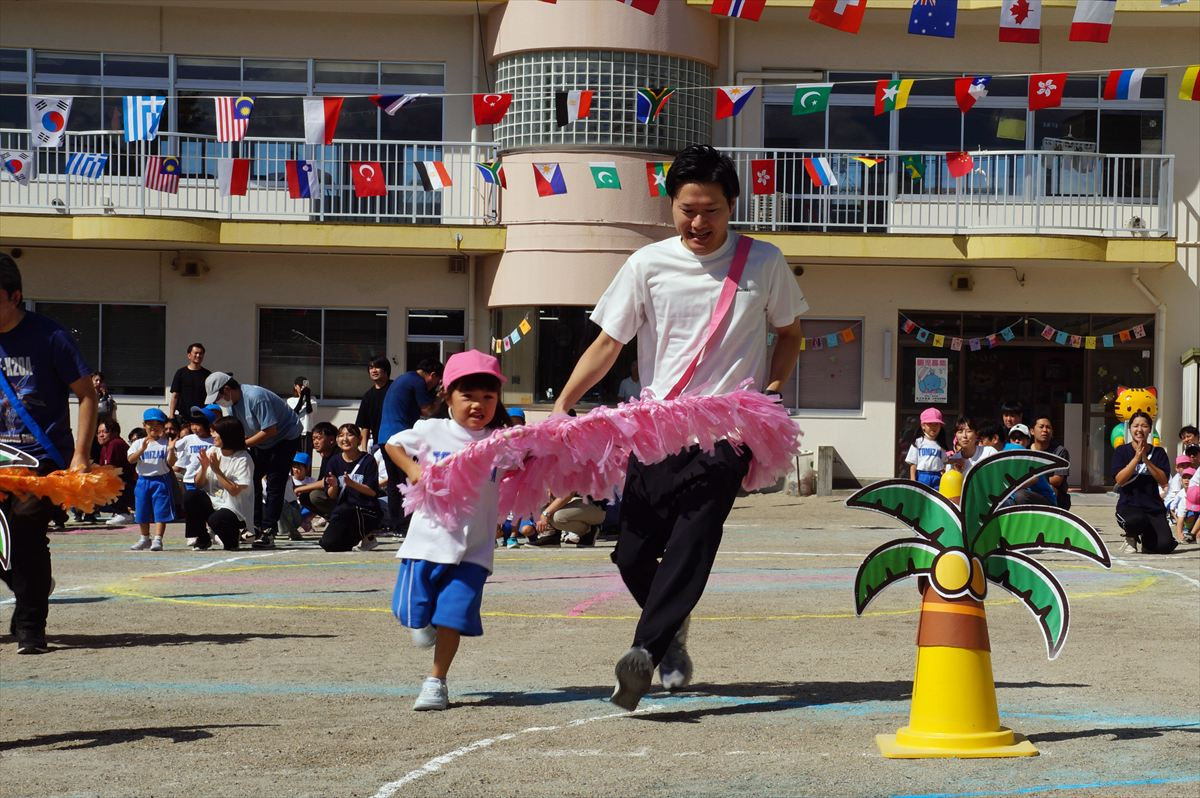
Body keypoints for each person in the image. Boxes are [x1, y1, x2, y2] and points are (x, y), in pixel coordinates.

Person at [549, 145, 807, 710]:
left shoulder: (763, 262)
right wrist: (563, 405)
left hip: (729, 428)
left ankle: (644, 651)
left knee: (694, 539)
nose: (698, 222)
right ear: (672, 206)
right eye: (687, 209)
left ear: (732, 205)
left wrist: (772, 388)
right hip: (657, 428)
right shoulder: (648, 264)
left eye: (711, 209)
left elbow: (789, 333)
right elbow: (607, 343)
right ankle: (672, 632)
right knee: (632, 555)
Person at [385, 350, 511, 711]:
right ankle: (421, 624)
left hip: (475, 549)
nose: (478, 405)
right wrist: (412, 469)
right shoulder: (430, 430)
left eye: (488, 397)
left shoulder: (500, 443)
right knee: (409, 611)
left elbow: (527, 463)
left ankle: (435, 682)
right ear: (448, 395)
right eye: (468, 395)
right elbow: (393, 444)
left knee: (451, 617)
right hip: (426, 544)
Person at [0, 255, 99, 654]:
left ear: (15, 296)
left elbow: (87, 394)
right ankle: (31, 589)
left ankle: (30, 628)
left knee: (25, 533)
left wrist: (80, 454)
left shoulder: (50, 336)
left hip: (40, 458)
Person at [205, 372, 302, 550]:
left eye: (218, 397)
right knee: (251, 479)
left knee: (275, 482)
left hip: (284, 438)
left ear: (227, 389)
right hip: (260, 441)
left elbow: (270, 430)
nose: (218, 402)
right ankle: (253, 526)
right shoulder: (232, 405)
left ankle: (268, 531)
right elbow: (239, 430)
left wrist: (240, 444)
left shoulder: (256, 397)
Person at [378, 358, 443, 536]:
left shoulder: (404, 378)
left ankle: (396, 524)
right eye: (437, 381)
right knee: (408, 480)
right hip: (401, 438)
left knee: (394, 482)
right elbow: (427, 410)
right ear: (432, 375)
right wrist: (440, 396)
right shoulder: (418, 381)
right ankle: (406, 524)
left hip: (385, 437)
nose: (436, 385)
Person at [184, 416, 254, 550]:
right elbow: (199, 484)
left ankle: (233, 540)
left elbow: (234, 490)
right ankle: (202, 538)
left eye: (216, 432)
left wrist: (217, 470)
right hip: (214, 502)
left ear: (228, 435)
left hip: (235, 510)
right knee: (191, 496)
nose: (212, 435)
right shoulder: (213, 451)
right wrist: (204, 468)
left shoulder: (243, 458)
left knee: (217, 519)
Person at [1111, 411, 1174, 554]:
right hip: (1129, 507)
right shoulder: (1122, 451)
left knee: (1164, 546)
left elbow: (1163, 480)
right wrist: (1135, 459)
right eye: (1135, 426)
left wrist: (1146, 459)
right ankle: (1131, 537)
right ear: (1130, 429)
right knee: (1135, 520)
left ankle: (1147, 539)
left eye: (1144, 426)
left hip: (1153, 508)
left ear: (1150, 429)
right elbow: (1120, 480)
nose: (1139, 430)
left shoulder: (1158, 453)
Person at [318, 423, 382, 552]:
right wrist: (334, 485)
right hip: (342, 511)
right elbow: (331, 495)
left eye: (350, 434)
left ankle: (366, 534)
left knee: (349, 510)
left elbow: (372, 492)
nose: (345, 439)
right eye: (341, 435)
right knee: (328, 545)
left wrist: (352, 484)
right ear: (337, 440)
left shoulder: (368, 460)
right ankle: (363, 538)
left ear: (359, 439)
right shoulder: (334, 461)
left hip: (366, 510)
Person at [127, 408, 177, 551]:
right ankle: (144, 538)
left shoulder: (166, 443)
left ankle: (158, 539)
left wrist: (171, 450)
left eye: (158, 424)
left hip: (161, 480)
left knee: (160, 511)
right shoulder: (138, 443)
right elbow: (130, 460)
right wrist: (141, 450)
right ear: (144, 425)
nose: (153, 427)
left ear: (163, 426)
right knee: (141, 510)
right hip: (143, 480)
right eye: (150, 423)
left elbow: (171, 462)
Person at [1003, 424, 1057, 507]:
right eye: (1014, 438)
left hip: (1045, 500)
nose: (1017, 441)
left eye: (1020, 438)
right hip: (1020, 497)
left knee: (1020, 495)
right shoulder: (1006, 458)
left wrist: (1011, 487)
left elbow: (1033, 479)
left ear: (1028, 441)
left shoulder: (1030, 457)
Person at [295, 421, 338, 524]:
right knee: (304, 496)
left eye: (319, 438)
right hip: (332, 495)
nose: (315, 442)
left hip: (343, 497)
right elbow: (319, 482)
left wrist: (299, 488)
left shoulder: (337, 455)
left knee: (315, 495)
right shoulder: (325, 456)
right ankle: (332, 519)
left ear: (331, 440)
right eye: (313, 439)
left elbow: (325, 482)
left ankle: (340, 519)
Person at [95, 418, 135, 526]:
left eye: (105, 432)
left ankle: (123, 513)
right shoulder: (106, 446)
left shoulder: (115, 443)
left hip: (131, 488)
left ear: (115, 433)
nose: (101, 435)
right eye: (98, 433)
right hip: (127, 487)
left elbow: (110, 469)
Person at [1030, 415, 1071, 511]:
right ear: (1032, 431)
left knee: (1022, 496)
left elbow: (1057, 480)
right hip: (1029, 490)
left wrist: (1032, 481)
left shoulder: (1060, 451)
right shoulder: (1026, 450)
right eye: (1041, 427)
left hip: (1055, 496)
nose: (1045, 430)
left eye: (1048, 427)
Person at [355, 356, 393, 452]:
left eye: (377, 367)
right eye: (371, 368)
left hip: (397, 442)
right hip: (378, 445)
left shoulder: (396, 389)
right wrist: (364, 450)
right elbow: (365, 425)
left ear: (386, 370)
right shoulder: (368, 396)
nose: (373, 371)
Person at [167, 343, 210, 423]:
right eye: (196, 353)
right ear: (189, 355)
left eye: (201, 353)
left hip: (202, 416)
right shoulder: (181, 373)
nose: (198, 355)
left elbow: (210, 397)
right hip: (184, 416)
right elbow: (175, 396)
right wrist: (171, 414)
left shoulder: (207, 374)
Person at [906, 408, 947, 490]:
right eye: (930, 424)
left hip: (937, 476)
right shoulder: (918, 442)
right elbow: (913, 464)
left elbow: (943, 465)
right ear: (923, 426)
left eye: (936, 424)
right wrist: (913, 480)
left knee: (936, 497)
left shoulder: (941, 444)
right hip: (922, 476)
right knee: (922, 498)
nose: (933, 427)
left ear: (940, 426)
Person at [279, 452, 316, 541]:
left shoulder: (312, 481)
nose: (295, 470)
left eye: (299, 467)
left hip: (304, 510)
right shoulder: (289, 479)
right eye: (294, 467)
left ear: (306, 469)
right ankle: (292, 528)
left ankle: (306, 521)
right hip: (292, 510)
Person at [286, 376, 316, 456]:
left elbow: (309, 411)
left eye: (304, 386)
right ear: (295, 387)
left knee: (306, 457)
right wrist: (302, 397)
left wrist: (308, 397)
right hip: (295, 431)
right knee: (295, 456)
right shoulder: (290, 400)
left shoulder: (312, 399)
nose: (302, 388)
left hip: (307, 431)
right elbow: (295, 412)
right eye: (300, 386)